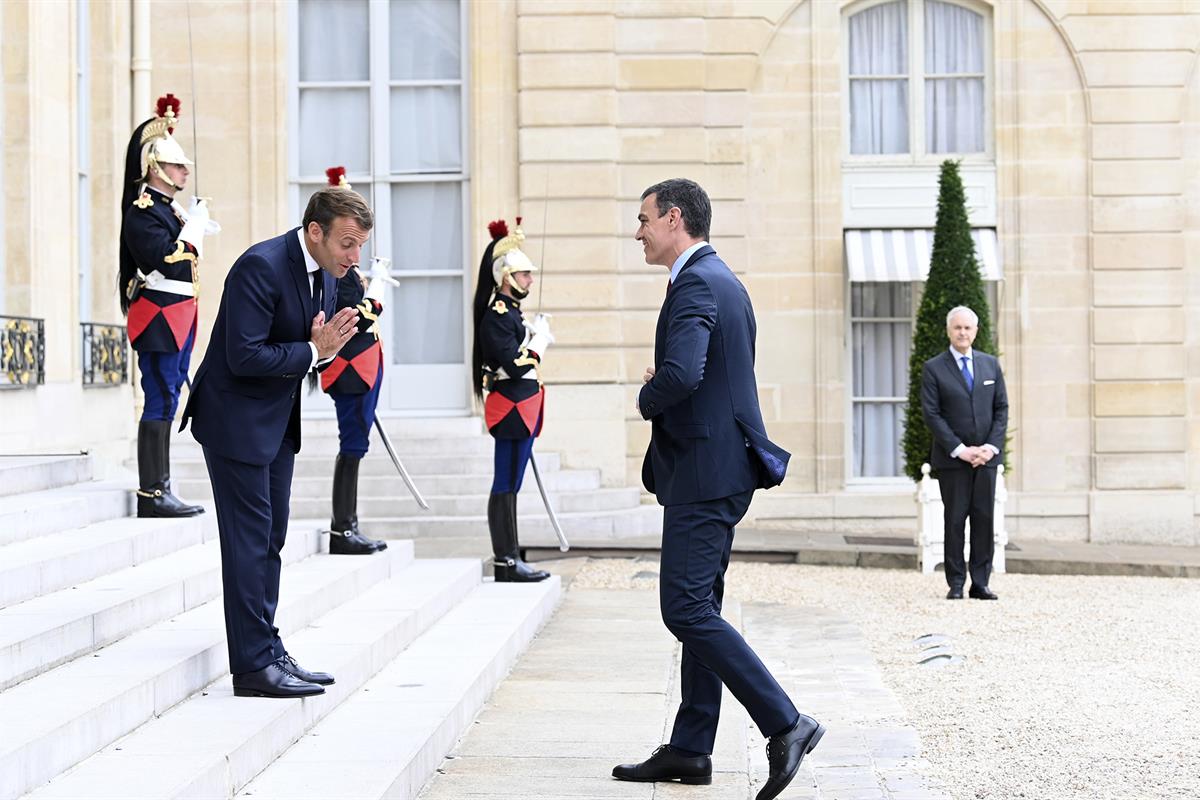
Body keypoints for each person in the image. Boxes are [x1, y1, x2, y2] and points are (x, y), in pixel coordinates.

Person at [612, 179, 823, 800]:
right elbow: (710, 372)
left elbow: (683, 372)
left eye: (644, 218)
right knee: (700, 606)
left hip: (706, 475)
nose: (639, 230)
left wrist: (648, 393)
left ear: (674, 218)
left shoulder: (698, 282)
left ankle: (786, 723)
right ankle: (691, 747)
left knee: (684, 607)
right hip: (718, 470)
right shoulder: (721, 278)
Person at [179, 187, 367, 698]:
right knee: (248, 544)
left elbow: (319, 348)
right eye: (347, 244)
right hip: (235, 422)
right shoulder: (259, 266)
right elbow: (244, 356)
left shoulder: (329, 276)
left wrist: (325, 348)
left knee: (270, 540)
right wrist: (312, 350)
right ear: (315, 232)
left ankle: (269, 649)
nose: (354, 258)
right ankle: (252, 667)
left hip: (276, 424)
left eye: (359, 247)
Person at [119, 93, 218, 518]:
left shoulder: (169, 210)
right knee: (159, 399)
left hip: (177, 315)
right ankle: (152, 493)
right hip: (159, 316)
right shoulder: (144, 210)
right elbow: (161, 258)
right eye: (178, 166)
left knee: (169, 398)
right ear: (156, 169)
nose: (185, 172)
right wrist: (192, 231)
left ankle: (161, 488)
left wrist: (189, 223)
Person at [470, 218, 552, 583]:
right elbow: (517, 367)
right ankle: (505, 559)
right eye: (524, 275)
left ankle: (510, 555)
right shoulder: (497, 316)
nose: (530, 281)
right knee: (505, 483)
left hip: (523, 407)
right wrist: (539, 343)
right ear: (507, 277)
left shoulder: (512, 315)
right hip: (512, 408)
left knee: (512, 483)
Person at [316, 167, 392, 555]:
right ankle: (342, 529)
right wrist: (375, 294)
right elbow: (356, 317)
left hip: (360, 367)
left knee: (355, 445)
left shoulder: (349, 268)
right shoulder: (337, 270)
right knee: (352, 446)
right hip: (350, 369)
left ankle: (349, 525)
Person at [919, 305, 1008, 601]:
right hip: (953, 461)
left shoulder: (990, 365)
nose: (962, 333)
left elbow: (1001, 409)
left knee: (984, 520)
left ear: (976, 331)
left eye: (967, 328)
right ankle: (956, 582)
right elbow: (932, 414)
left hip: (986, 459)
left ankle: (980, 582)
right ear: (949, 331)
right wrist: (960, 449)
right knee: (955, 521)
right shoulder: (934, 368)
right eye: (957, 328)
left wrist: (990, 448)